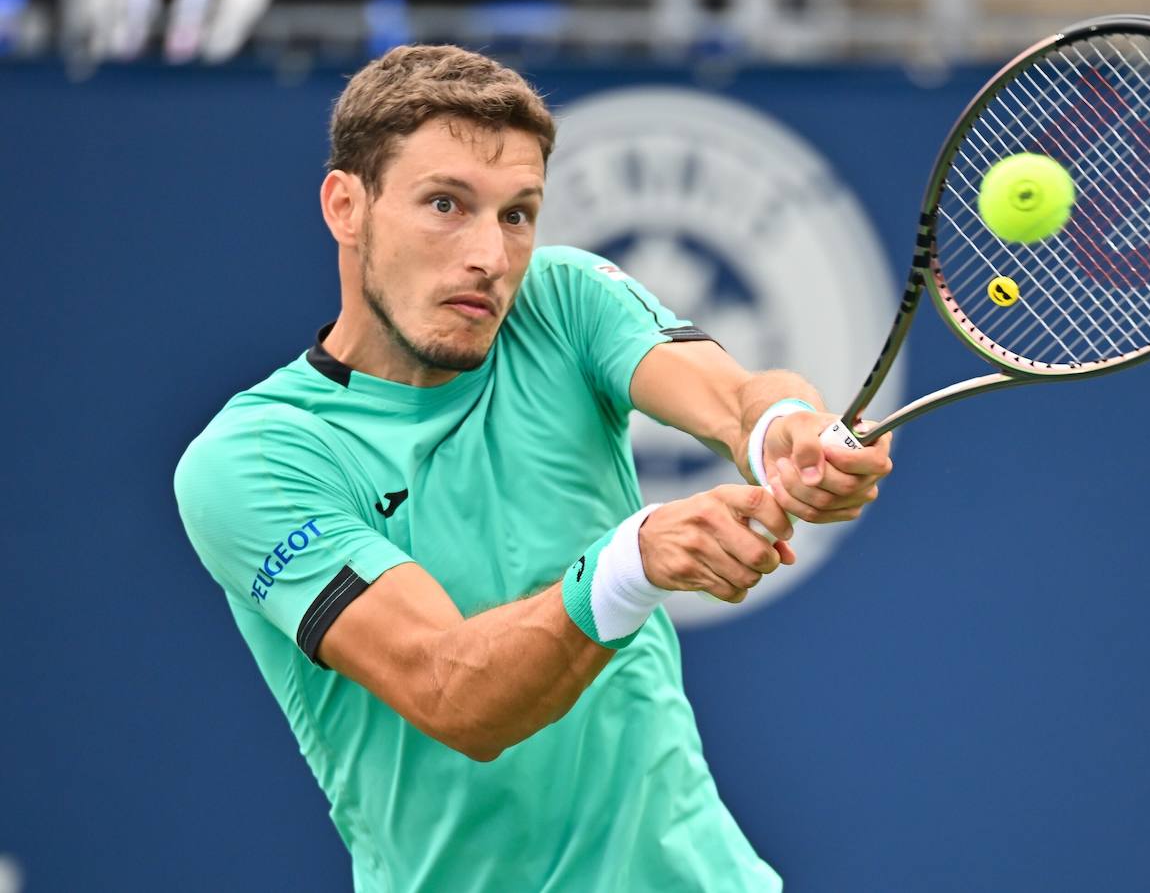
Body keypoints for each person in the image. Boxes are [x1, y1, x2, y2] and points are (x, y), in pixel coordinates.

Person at [174, 44, 893, 892]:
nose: (490, 255)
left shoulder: (561, 300)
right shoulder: (255, 458)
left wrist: (787, 430)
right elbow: (451, 693)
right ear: (347, 206)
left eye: (517, 214)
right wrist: (631, 563)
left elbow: (736, 401)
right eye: (446, 204)